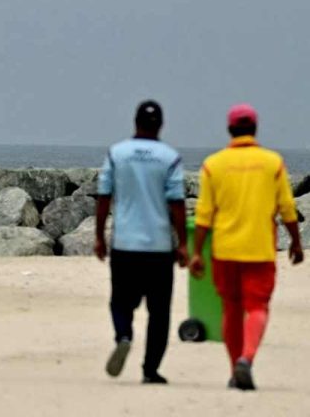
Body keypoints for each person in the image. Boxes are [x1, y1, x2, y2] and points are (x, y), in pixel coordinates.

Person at [190, 103, 304, 391]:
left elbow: (204, 215)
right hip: (259, 249)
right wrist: (296, 242)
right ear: (255, 129)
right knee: (257, 307)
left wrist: (196, 252)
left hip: (224, 250)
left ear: (229, 130)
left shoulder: (212, 165)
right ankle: (247, 359)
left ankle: (234, 370)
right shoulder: (272, 163)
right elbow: (287, 208)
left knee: (231, 309)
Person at [95, 100, 188, 384]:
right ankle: (150, 370)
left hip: (125, 244)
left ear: (135, 122)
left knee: (120, 302)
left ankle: (123, 335)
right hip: (159, 247)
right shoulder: (169, 157)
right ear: (160, 125)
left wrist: (99, 236)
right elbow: (177, 204)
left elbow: (104, 196)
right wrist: (183, 243)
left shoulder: (117, 153)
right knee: (159, 312)